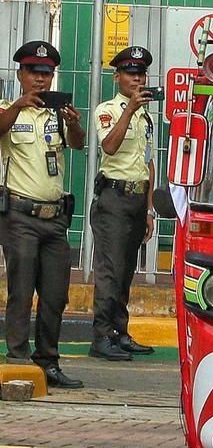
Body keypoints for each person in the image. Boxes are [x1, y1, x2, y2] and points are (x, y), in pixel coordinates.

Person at [0, 40, 86, 388]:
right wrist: (19, 107)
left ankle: (48, 361)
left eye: (47, 73)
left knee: (55, 294)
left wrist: (74, 123)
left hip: (54, 218)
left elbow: (78, 144)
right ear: (20, 73)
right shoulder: (8, 107)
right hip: (19, 215)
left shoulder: (56, 112)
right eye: (34, 72)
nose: (40, 79)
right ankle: (18, 360)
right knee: (21, 290)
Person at [88, 45, 157, 361]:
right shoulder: (109, 109)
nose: (137, 78)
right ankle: (102, 336)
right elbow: (110, 147)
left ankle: (119, 332)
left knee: (126, 270)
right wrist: (129, 109)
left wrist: (149, 208)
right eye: (131, 72)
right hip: (113, 199)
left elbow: (149, 162)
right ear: (117, 76)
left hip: (136, 198)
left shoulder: (146, 115)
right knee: (110, 272)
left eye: (141, 73)